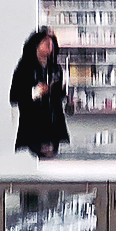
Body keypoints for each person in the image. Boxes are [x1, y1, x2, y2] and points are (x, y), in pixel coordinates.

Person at [9, 29, 69, 158]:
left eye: (52, 43)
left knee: (52, 157)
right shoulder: (24, 68)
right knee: (32, 158)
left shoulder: (55, 69)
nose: (50, 46)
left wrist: (62, 93)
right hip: (32, 125)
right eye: (45, 42)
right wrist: (35, 92)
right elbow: (14, 96)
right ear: (36, 45)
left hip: (53, 123)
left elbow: (58, 95)